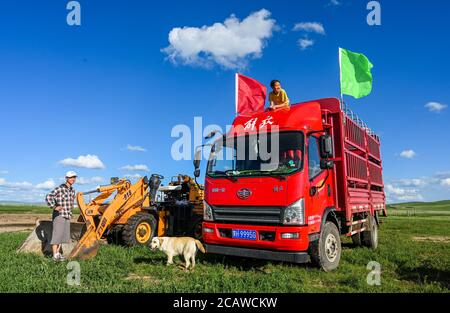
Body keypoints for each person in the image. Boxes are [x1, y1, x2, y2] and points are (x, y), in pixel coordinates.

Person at [45, 171, 77, 261]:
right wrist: (54, 207)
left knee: (63, 236)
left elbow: (70, 203)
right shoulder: (60, 188)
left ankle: (58, 254)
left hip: (67, 215)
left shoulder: (73, 190)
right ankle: (55, 255)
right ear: (66, 178)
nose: (73, 179)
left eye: (74, 177)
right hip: (59, 215)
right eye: (71, 177)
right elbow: (48, 196)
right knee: (57, 235)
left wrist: (70, 212)